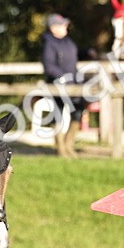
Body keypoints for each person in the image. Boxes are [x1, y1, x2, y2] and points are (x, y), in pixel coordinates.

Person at [40, 13, 84, 157]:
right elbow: (49, 65)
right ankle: (61, 148)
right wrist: (62, 77)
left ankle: (68, 144)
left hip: (73, 84)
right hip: (57, 84)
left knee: (77, 111)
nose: (65, 27)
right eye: (62, 25)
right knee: (58, 113)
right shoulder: (49, 43)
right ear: (53, 28)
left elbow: (74, 58)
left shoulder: (68, 42)